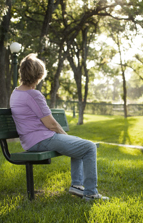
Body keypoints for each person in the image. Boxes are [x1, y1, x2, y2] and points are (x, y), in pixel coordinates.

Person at [10, 53, 109, 201]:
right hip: (41, 140)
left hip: (31, 140)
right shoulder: (33, 95)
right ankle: (90, 193)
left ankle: (77, 186)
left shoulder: (16, 93)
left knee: (80, 144)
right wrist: (65, 136)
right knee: (89, 147)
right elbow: (51, 124)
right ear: (39, 75)